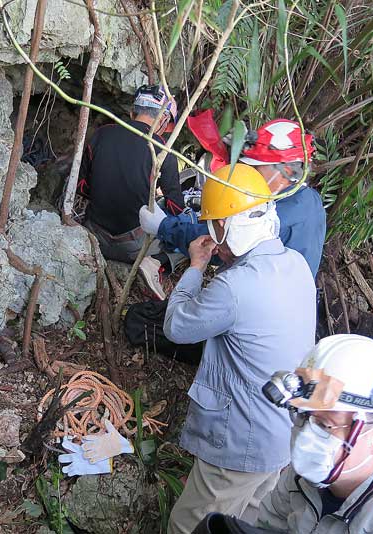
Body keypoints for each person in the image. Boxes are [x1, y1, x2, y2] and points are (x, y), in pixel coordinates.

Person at [164, 163, 316, 534]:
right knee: (244, 524)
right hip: (283, 437)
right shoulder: (296, 265)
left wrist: (196, 267)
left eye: (216, 226)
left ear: (231, 226)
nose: (214, 239)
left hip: (241, 442)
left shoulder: (234, 287)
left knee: (189, 527)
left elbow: (176, 327)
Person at [192, 334, 373, 534]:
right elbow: (268, 525)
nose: (306, 436)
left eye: (324, 425)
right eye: (304, 416)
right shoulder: (305, 477)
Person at [139, 119, 326, 278]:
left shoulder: (276, 217)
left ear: (286, 170)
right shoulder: (309, 200)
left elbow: (221, 243)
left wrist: (164, 226)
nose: (250, 174)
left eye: (256, 168)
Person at [79, 85, 185, 296]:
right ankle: (156, 263)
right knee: (189, 234)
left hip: (94, 235)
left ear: (132, 113)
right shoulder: (162, 150)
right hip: (132, 247)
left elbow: (83, 187)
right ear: (163, 120)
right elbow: (176, 207)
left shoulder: (101, 135)